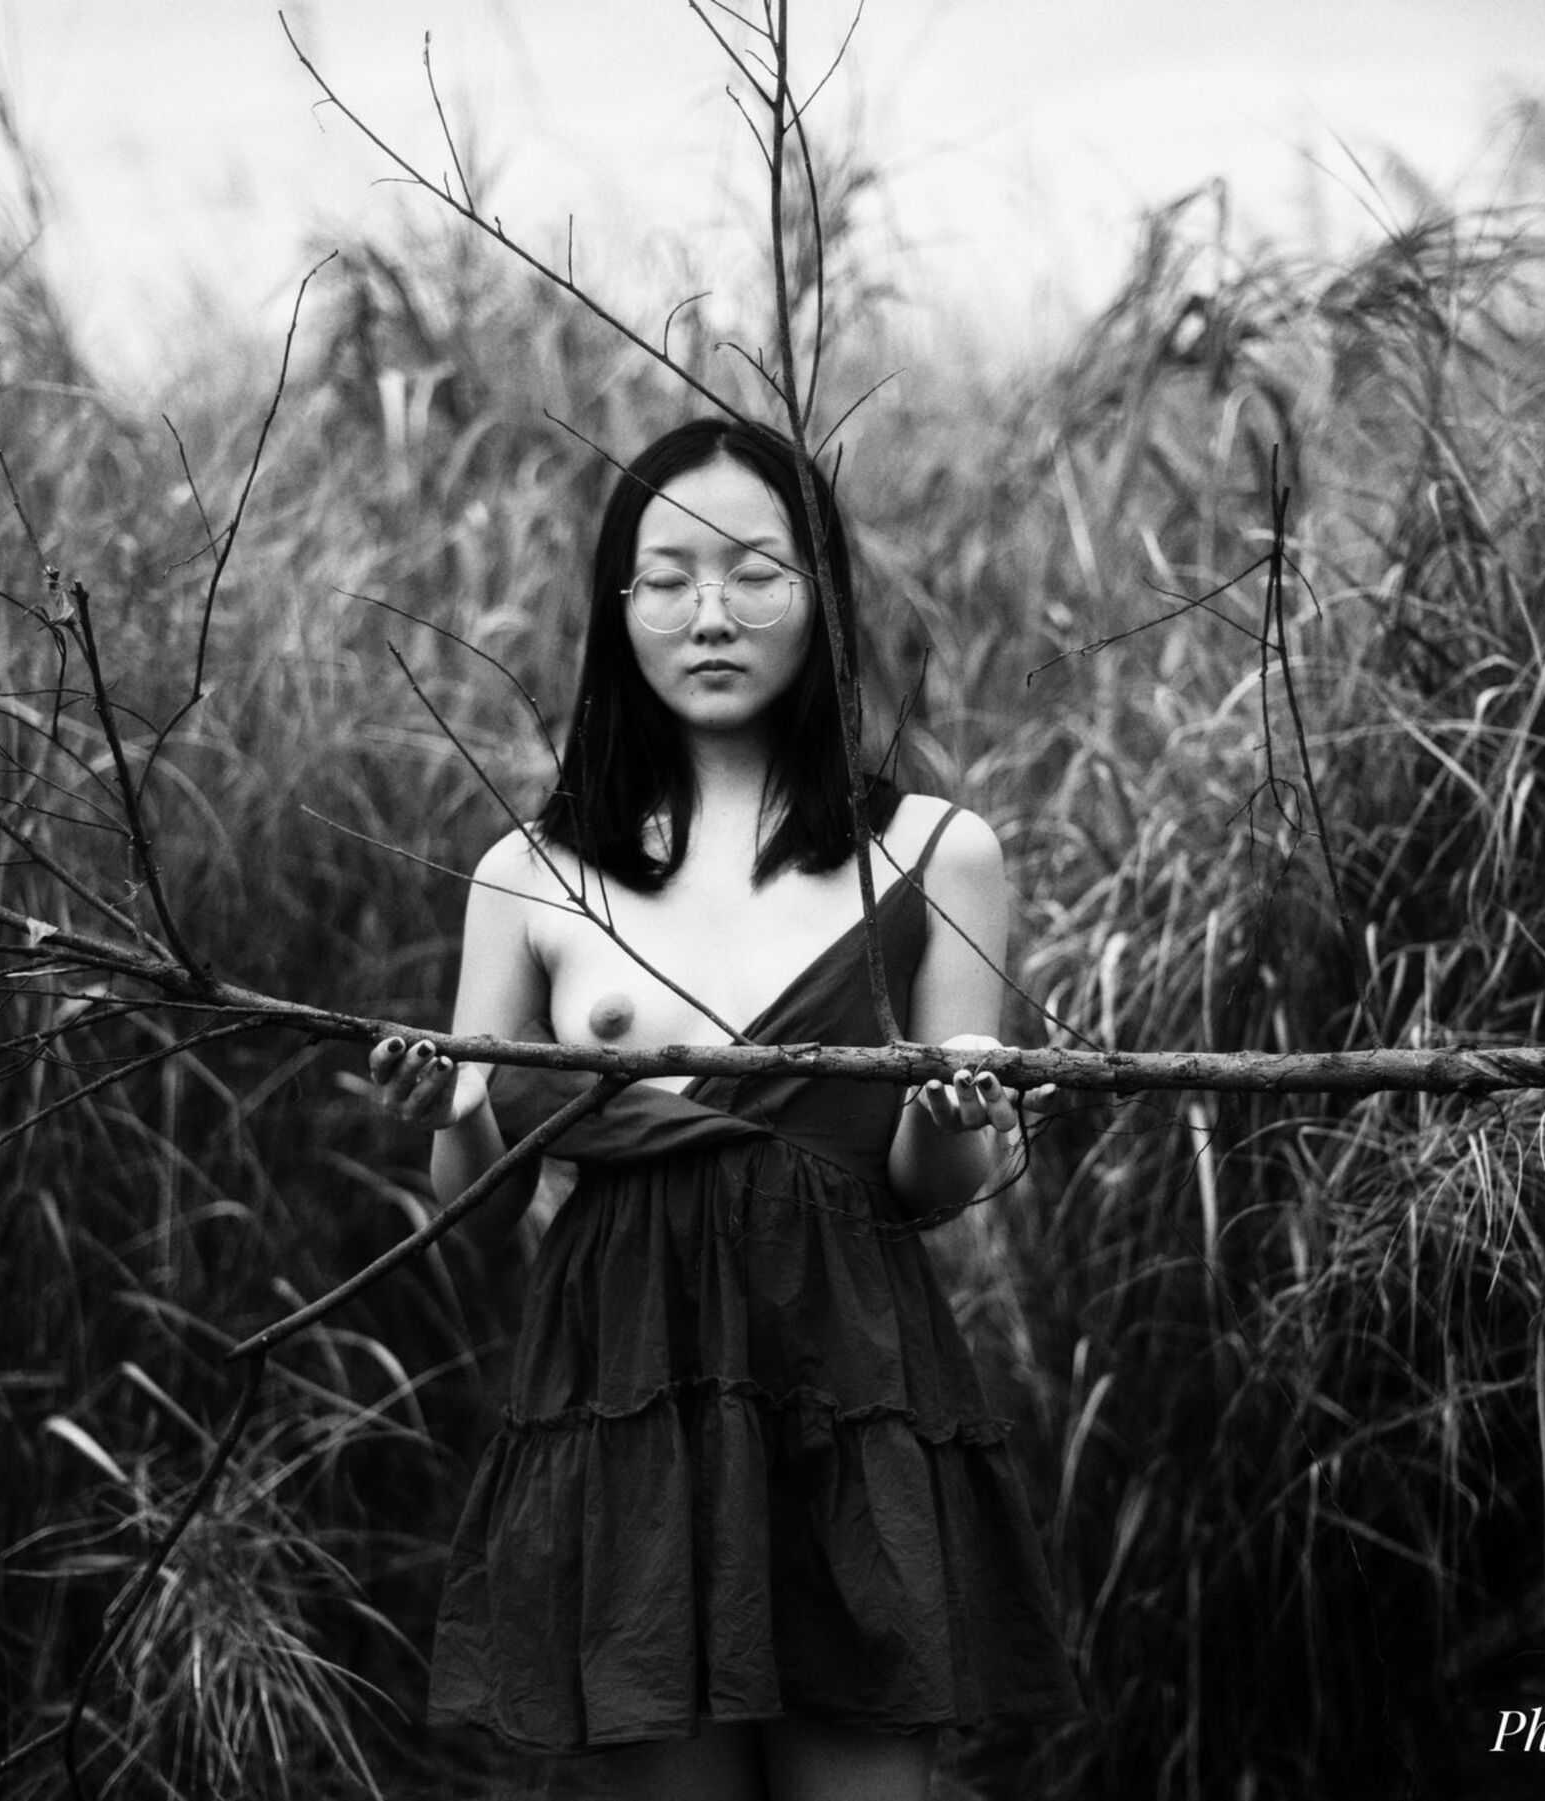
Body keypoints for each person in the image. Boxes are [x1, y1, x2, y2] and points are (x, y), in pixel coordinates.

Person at [369, 416, 1077, 1800]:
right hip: (630, 1396)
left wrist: (950, 1111)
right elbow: (476, 1204)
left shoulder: (939, 852)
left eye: (755, 573)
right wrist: (449, 1110)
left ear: (822, 595)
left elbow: (932, 1190)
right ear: (617, 606)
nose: (711, 614)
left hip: (853, 1391)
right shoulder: (527, 874)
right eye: (669, 578)